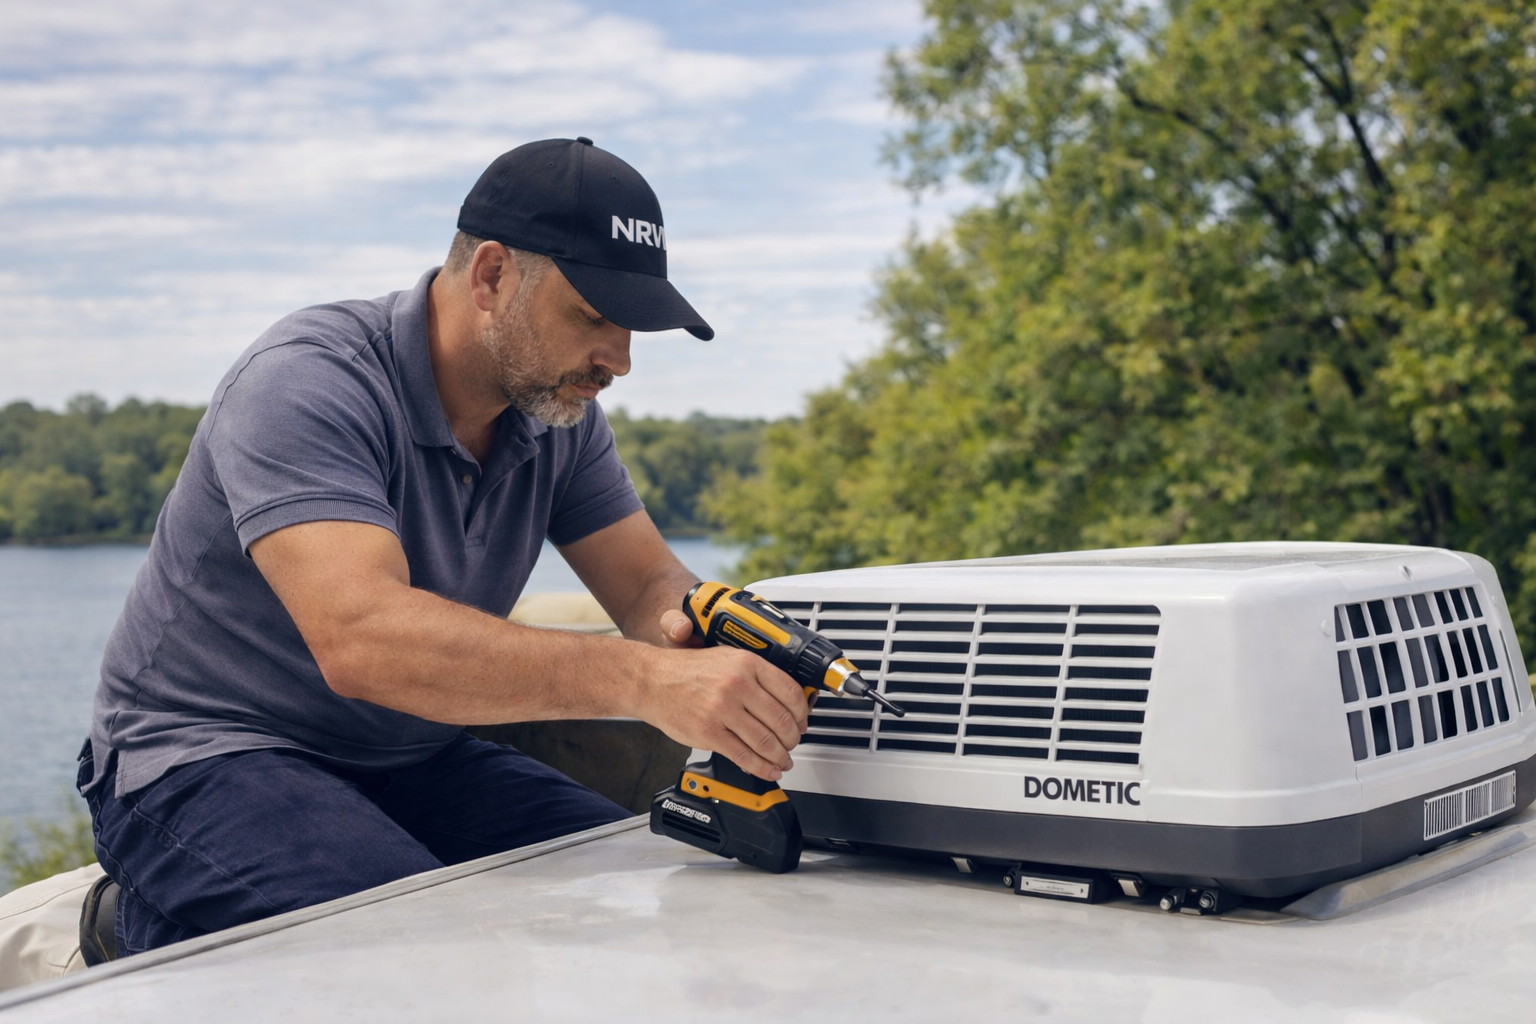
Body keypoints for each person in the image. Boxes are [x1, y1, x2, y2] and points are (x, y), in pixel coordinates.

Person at [76, 137, 809, 956]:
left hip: (411, 756)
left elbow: (649, 589)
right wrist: (648, 679)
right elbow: (363, 641)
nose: (621, 361)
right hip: (203, 755)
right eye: (594, 316)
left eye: (633, 325)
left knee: (638, 887)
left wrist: (744, 651)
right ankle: (140, 929)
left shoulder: (559, 418)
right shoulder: (308, 379)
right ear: (491, 275)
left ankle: (211, 912)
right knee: (422, 954)